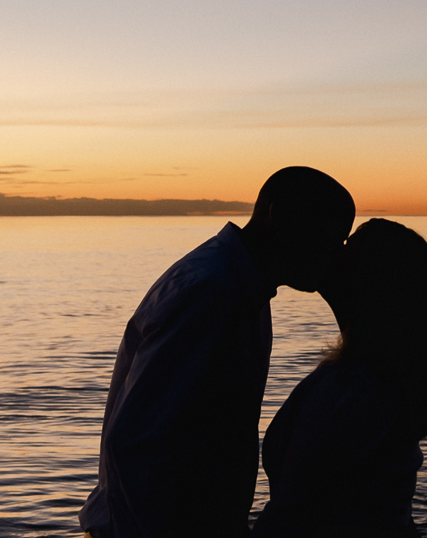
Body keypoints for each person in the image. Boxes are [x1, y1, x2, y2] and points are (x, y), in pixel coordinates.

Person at [79, 166, 355, 538]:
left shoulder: (241, 289)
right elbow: (135, 441)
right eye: (329, 237)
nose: (335, 256)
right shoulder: (212, 292)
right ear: (279, 217)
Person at [252, 218, 427, 538]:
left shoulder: (355, 390)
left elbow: (305, 509)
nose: (332, 252)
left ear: (369, 282)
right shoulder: (374, 382)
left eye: (348, 249)